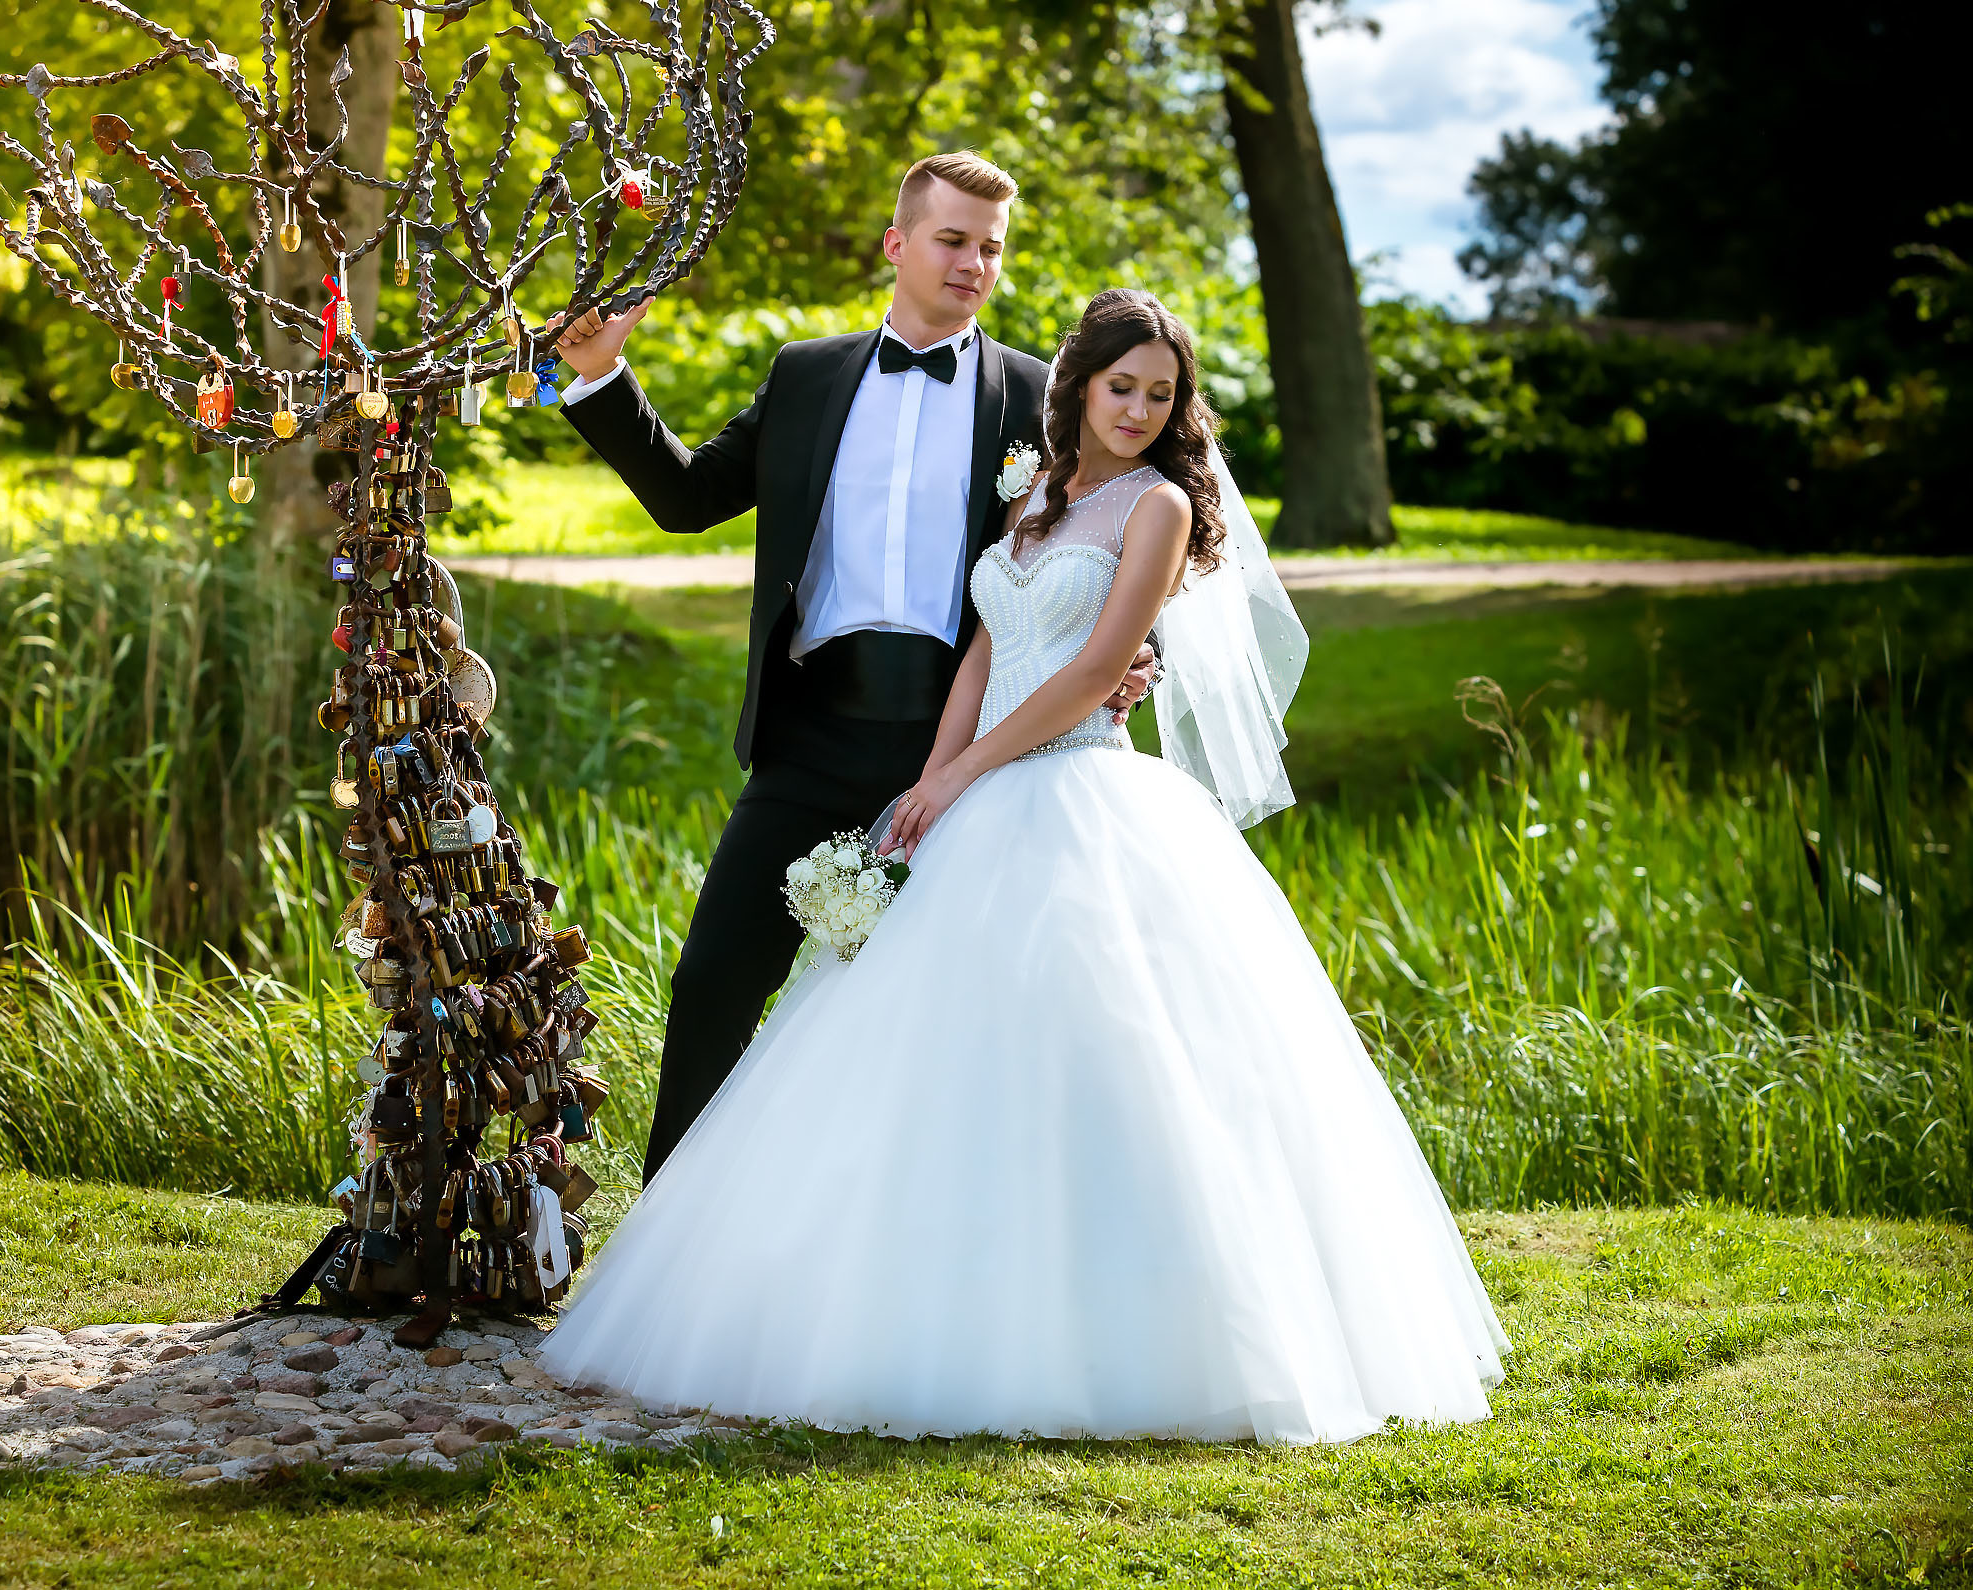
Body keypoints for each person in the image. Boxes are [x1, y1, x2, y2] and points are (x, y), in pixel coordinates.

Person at [538, 289, 1510, 1444]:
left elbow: (1099, 663)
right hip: (912, 764)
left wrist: (971, 764)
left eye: (1161, 395)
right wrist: (935, 784)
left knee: (1089, 1046)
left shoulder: (1148, 498)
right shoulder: (1029, 485)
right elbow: (982, 639)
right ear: (1081, 387)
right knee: (834, 1020)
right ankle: (722, 1271)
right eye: (1122, 387)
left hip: (1072, 786)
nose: (1139, 409)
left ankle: (1120, 1322)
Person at [551, 152, 1158, 1185]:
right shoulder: (807, 374)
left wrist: (1138, 653)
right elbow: (688, 498)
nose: (974, 264)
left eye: (991, 248)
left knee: (950, 1014)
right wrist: (606, 379)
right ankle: (669, 1245)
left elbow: (1116, 524)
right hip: (808, 735)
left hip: (958, 749)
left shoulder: (1037, 396)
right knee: (713, 984)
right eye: (953, 240)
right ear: (897, 244)